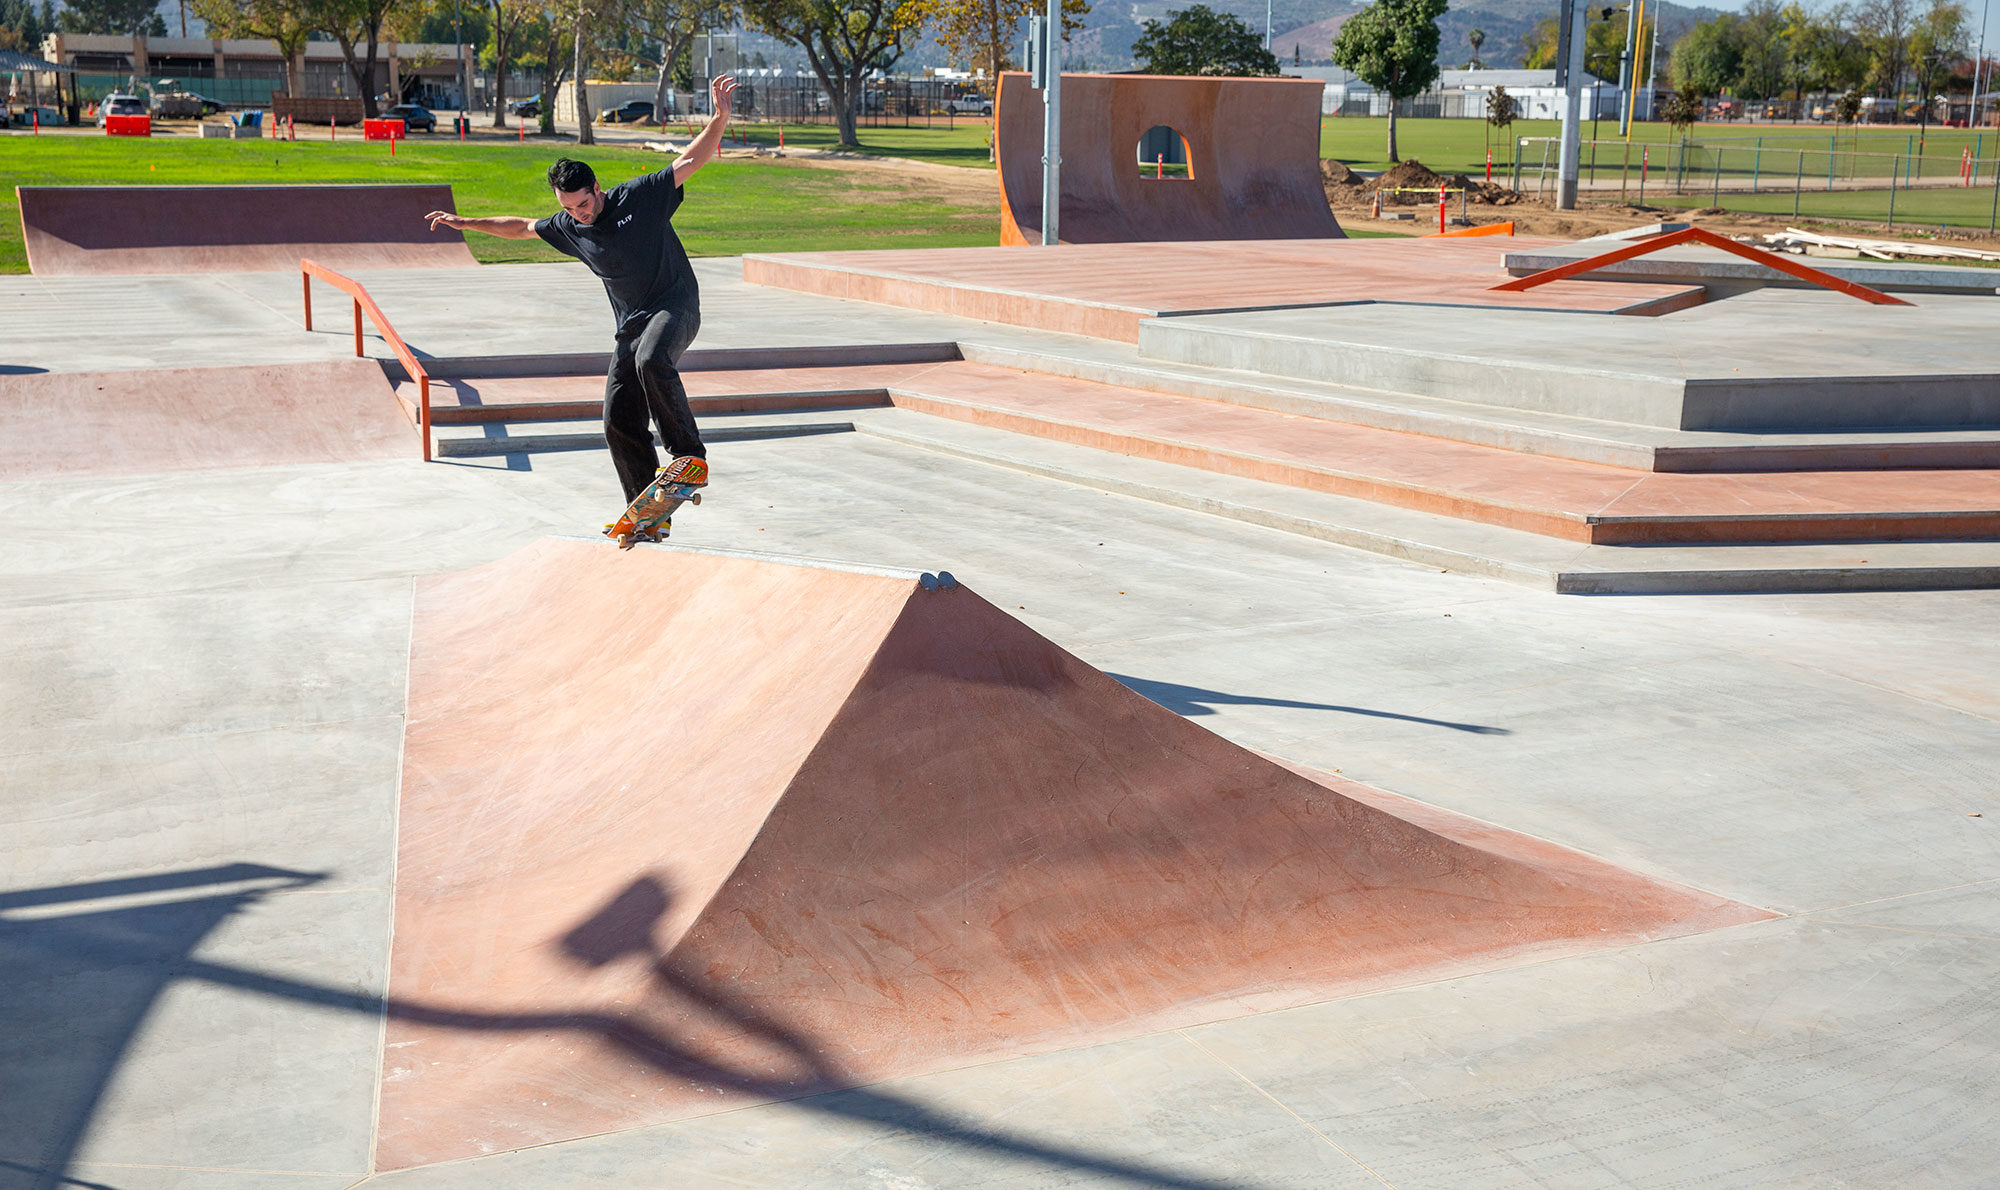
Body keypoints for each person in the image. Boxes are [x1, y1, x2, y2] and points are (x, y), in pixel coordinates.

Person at [425, 75, 739, 515]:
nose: (579, 214)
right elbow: (519, 227)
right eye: (569, 208)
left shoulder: (639, 198)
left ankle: (689, 457)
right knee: (617, 420)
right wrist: (467, 222)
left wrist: (719, 119)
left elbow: (690, 161)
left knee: (653, 359)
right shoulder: (569, 226)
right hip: (631, 326)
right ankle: (646, 513)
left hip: (676, 306)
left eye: (584, 204)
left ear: (597, 189)